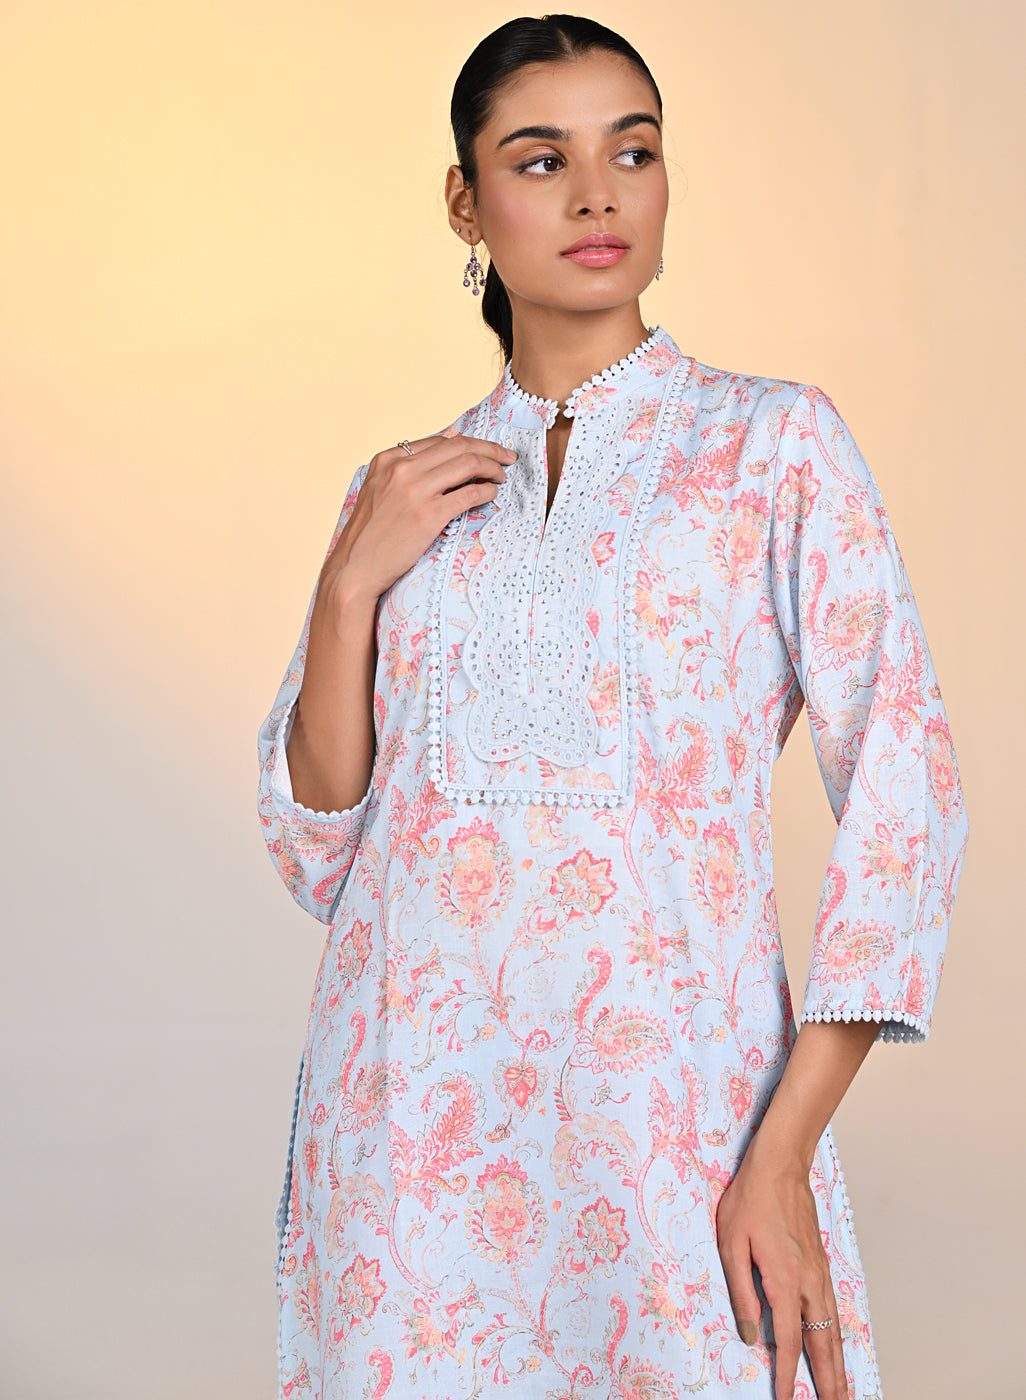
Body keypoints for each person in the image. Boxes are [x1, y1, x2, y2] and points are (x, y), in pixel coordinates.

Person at [256, 15, 968, 1400]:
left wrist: (778, 1156)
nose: (597, 195)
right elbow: (319, 853)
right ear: (464, 202)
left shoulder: (770, 446)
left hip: (675, 1125)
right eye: (542, 160)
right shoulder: (397, 489)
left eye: (630, 152)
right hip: (410, 1143)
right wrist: (349, 587)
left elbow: (907, 798)